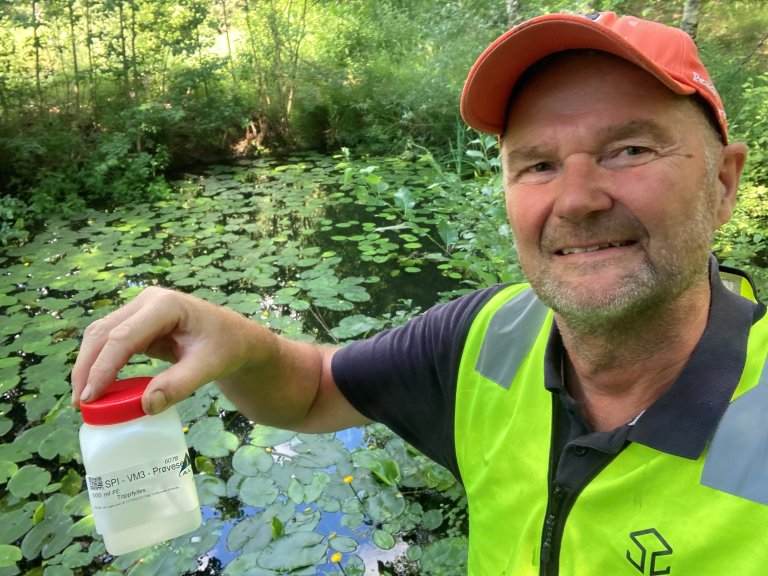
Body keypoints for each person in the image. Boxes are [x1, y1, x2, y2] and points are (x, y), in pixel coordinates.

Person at [72, 11, 768, 575]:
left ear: (723, 184)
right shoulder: (485, 337)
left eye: (630, 151)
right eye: (539, 164)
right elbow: (315, 388)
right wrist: (234, 339)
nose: (578, 199)